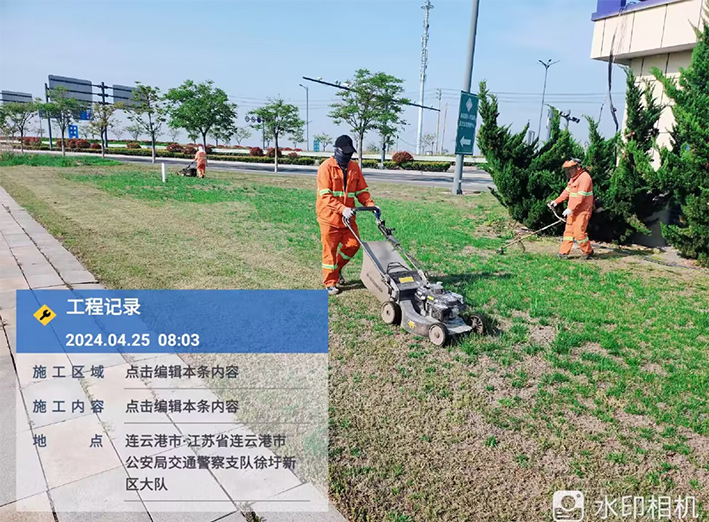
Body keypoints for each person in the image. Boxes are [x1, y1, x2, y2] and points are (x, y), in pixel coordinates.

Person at [316, 135, 375, 295]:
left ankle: (337, 269)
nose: (348, 156)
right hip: (329, 218)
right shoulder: (325, 168)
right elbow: (326, 195)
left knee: (353, 245)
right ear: (336, 150)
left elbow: (362, 191)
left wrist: (370, 205)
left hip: (348, 219)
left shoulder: (354, 167)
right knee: (330, 251)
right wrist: (342, 209)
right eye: (345, 152)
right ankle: (330, 282)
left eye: (350, 153)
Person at [548, 159, 594, 259]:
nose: (568, 171)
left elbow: (580, 197)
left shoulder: (585, 178)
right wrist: (556, 201)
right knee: (568, 232)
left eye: (570, 169)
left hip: (582, 211)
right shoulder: (574, 179)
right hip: (573, 211)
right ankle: (563, 253)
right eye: (567, 169)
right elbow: (567, 191)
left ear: (578, 168)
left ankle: (588, 251)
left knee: (579, 233)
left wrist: (570, 209)